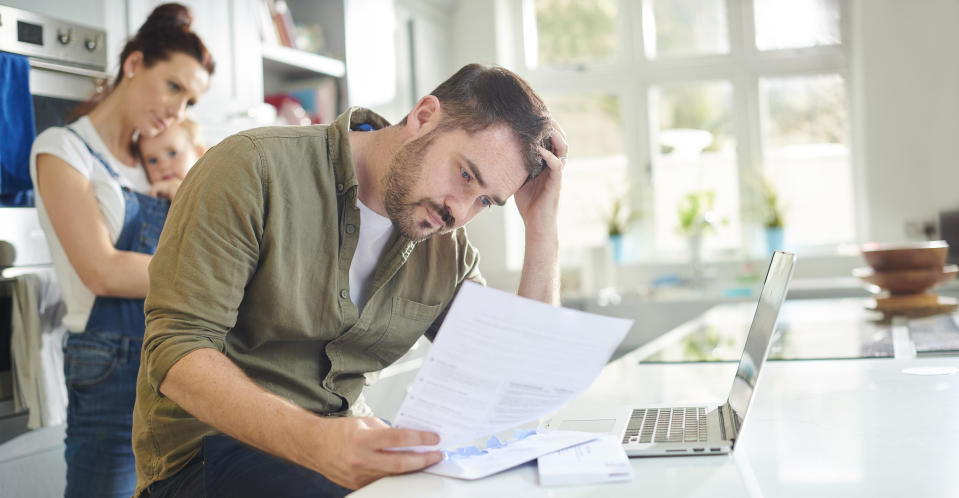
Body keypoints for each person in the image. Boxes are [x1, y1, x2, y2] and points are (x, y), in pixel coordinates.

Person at [133, 63, 568, 498]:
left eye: (486, 201)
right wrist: (316, 441)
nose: (460, 211)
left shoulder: (446, 249)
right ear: (423, 116)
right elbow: (177, 351)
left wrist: (542, 228)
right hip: (207, 456)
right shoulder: (252, 166)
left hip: (338, 455)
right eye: (466, 175)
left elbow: (511, 379)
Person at [28, 4, 214, 497]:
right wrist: (216, 278)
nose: (178, 110)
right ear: (133, 65)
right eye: (174, 86)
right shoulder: (63, 149)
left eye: (191, 101)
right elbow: (102, 271)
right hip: (108, 362)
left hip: (176, 359)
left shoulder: (156, 163)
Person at [137, 118, 206, 200]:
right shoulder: (150, 195)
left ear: (199, 154)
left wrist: (178, 191)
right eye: (153, 160)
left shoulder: (210, 189)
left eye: (172, 153)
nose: (163, 166)